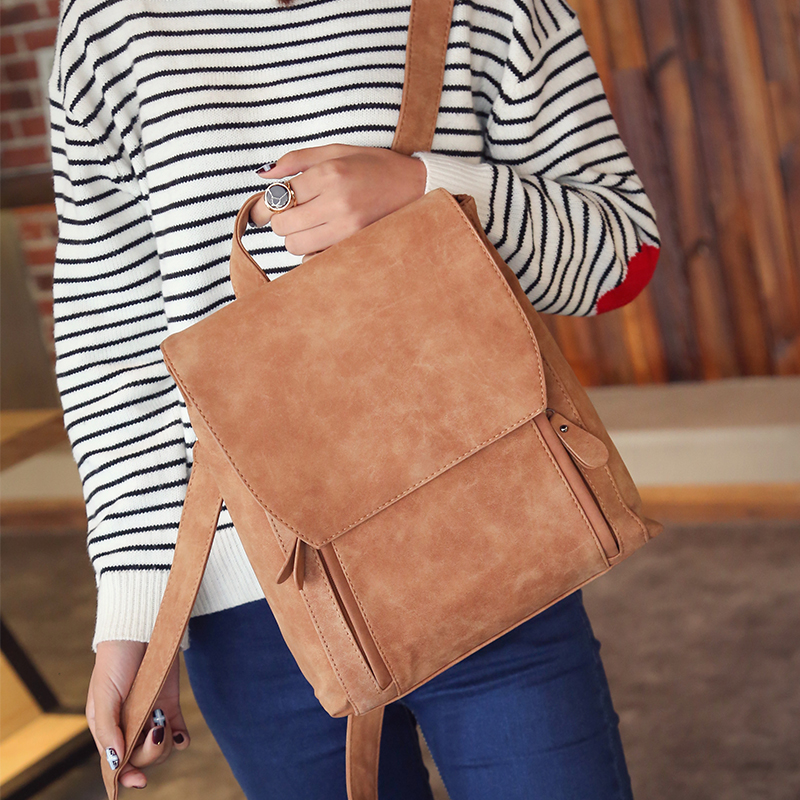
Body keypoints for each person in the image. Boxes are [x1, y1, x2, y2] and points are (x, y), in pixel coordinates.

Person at [49, 0, 660, 797]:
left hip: (488, 536)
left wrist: (428, 186)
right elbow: (112, 347)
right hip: (254, 596)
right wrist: (137, 620)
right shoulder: (108, 24)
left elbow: (623, 258)